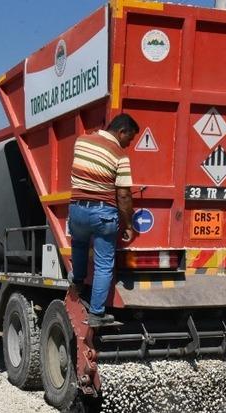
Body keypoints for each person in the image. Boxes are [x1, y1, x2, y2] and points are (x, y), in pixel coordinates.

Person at [68, 113, 139, 327]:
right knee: (104, 264)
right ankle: (97, 314)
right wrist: (128, 224)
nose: (129, 144)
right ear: (121, 131)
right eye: (130, 138)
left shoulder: (81, 141)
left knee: (79, 245)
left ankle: (78, 283)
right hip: (102, 212)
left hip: (76, 209)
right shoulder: (120, 156)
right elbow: (124, 196)